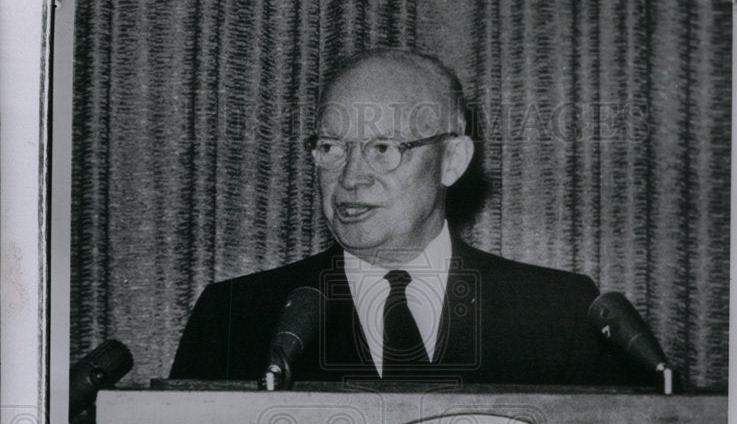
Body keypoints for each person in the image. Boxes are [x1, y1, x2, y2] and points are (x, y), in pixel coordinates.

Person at [170, 48, 647, 386]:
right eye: (331, 148)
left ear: (452, 161)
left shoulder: (558, 314)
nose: (352, 177)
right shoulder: (234, 317)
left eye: (383, 148)